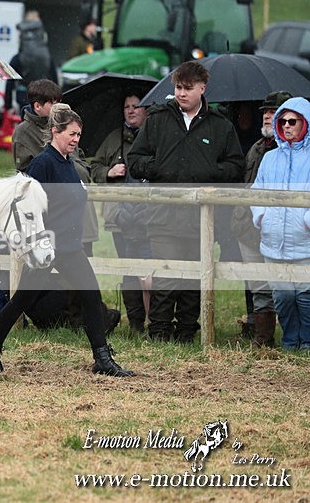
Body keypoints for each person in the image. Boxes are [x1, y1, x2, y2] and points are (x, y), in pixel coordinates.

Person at [0, 104, 134, 377]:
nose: (75, 139)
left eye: (79, 135)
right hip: (47, 246)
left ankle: (102, 358)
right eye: (71, 134)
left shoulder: (67, 162)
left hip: (69, 246)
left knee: (91, 296)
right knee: (22, 300)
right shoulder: (43, 163)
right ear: (55, 131)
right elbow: (26, 206)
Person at [127, 60, 244, 343]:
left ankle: (187, 334)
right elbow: (135, 160)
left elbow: (236, 167)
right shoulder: (157, 120)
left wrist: (209, 173)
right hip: (162, 215)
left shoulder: (220, 126)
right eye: (178, 87)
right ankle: (158, 333)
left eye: (188, 88)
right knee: (166, 278)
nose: (181, 93)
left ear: (202, 89)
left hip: (200, 217)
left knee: (193, 279)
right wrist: (156, 168)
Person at [231, 91, 291, 348]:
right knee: (258, 285)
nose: (267, 116)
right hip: (248, 226)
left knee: (286, 285)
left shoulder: (292, 150)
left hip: (281, 228)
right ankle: (262, 338)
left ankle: (294, 338)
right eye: (265, 112)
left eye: (273, 112)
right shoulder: (256, 148)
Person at [251, 96, 310, 351]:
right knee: (283, 297)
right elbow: (256, 192)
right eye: (282, 121)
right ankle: (290, 342)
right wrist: (261, 217)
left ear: (305, 123)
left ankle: (306, 342)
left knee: (305, 296)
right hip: (273, 241)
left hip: (304, 241)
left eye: (292, 121)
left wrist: (307, 220)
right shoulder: (270, 158)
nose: (286, 126)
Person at [90, 90, 150, 334]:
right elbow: (94, 167)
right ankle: (135, 324)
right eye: (127, 106)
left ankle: (152, 322)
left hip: (147, 217)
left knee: (148, 271)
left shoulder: (154, 137)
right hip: (118, 218)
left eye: (136, 106)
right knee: (128, 271)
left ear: (147, 109)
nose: (131, 110)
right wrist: (109, 172)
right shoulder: (113, 138)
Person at [12, 79, 62, 173]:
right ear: (37, 106)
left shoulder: (64, 125)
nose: (58, 107)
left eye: (59, 102)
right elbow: (24, 169)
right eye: (52, 104)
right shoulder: (23, 131)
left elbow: (78, 157)